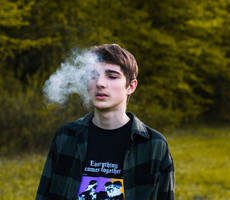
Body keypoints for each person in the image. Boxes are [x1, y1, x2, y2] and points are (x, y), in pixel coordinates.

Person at [36, 44, 174, 200]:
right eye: (93, 75)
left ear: (131, 86)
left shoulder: (154, 145)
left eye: (112, 76)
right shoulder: (66, 137)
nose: (100, 83)